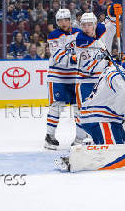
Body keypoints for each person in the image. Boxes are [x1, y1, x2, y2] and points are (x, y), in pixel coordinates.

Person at [74, 3, 119, 144]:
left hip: (102, 82)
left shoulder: (101, 32)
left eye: (89, 25)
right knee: (84, 111)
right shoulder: (80, 40)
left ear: (94, 25)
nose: (86, 28)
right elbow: (95, 44)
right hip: (86, 82)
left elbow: (111, 25)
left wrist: (112, 13)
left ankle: (104, 137)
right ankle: (79, 139)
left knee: (104, 109)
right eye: (84, 25)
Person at [44, 9, 82, 150]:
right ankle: (49, 137)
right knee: (56, 107)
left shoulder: (79, 32)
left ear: (70, 20)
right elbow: (58, 57)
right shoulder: (54, 35)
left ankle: (80, 138)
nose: (63, 22)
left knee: (79, 108)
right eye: (60, 20)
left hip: (75, 77)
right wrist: (75, 59)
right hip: (58, 77)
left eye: (65, 19)